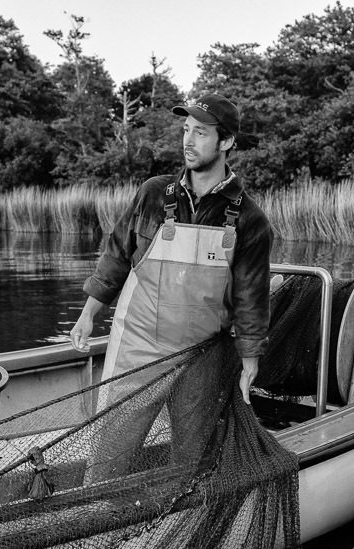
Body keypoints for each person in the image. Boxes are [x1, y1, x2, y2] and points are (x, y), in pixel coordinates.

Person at [70, 92, 274, 483]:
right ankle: (96, 508)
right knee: (108, 456)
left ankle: (183, 511)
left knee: (192, 461)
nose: (188, 141)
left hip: (201, 354)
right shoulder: (153, 193)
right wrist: (88, 314)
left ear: (227, 142)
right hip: (137, 346)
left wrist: (250, 358)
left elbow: (251, 295)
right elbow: (116, 255)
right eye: (186, 130)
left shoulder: (250, 220)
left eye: (200, 133)